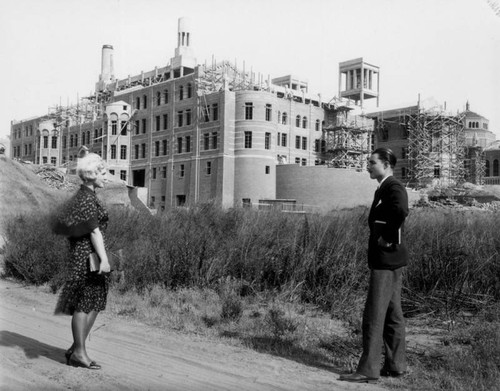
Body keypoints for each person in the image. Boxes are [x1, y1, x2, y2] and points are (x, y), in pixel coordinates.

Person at [339, 147, 409, 383]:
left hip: (386, 260)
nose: (367, 166)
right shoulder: (384, 188)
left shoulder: (393, 187)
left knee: (374, 315)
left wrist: (387, 237)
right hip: (391, 260)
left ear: (386, 164)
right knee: (392, 314)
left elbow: (401, 211)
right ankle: (396, 366)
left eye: (372, 162)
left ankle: (368, 370)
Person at [53, 151, 110, 370]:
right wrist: (104, 260)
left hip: (90, 254)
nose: (106, 177)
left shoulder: (90, 196)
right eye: (103, 173)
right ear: (91, 174)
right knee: (84, 303)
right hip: (86, 256)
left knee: (95, 301)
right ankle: (79, 353)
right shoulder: (85, 198)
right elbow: (94, 232)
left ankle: (76, 348)